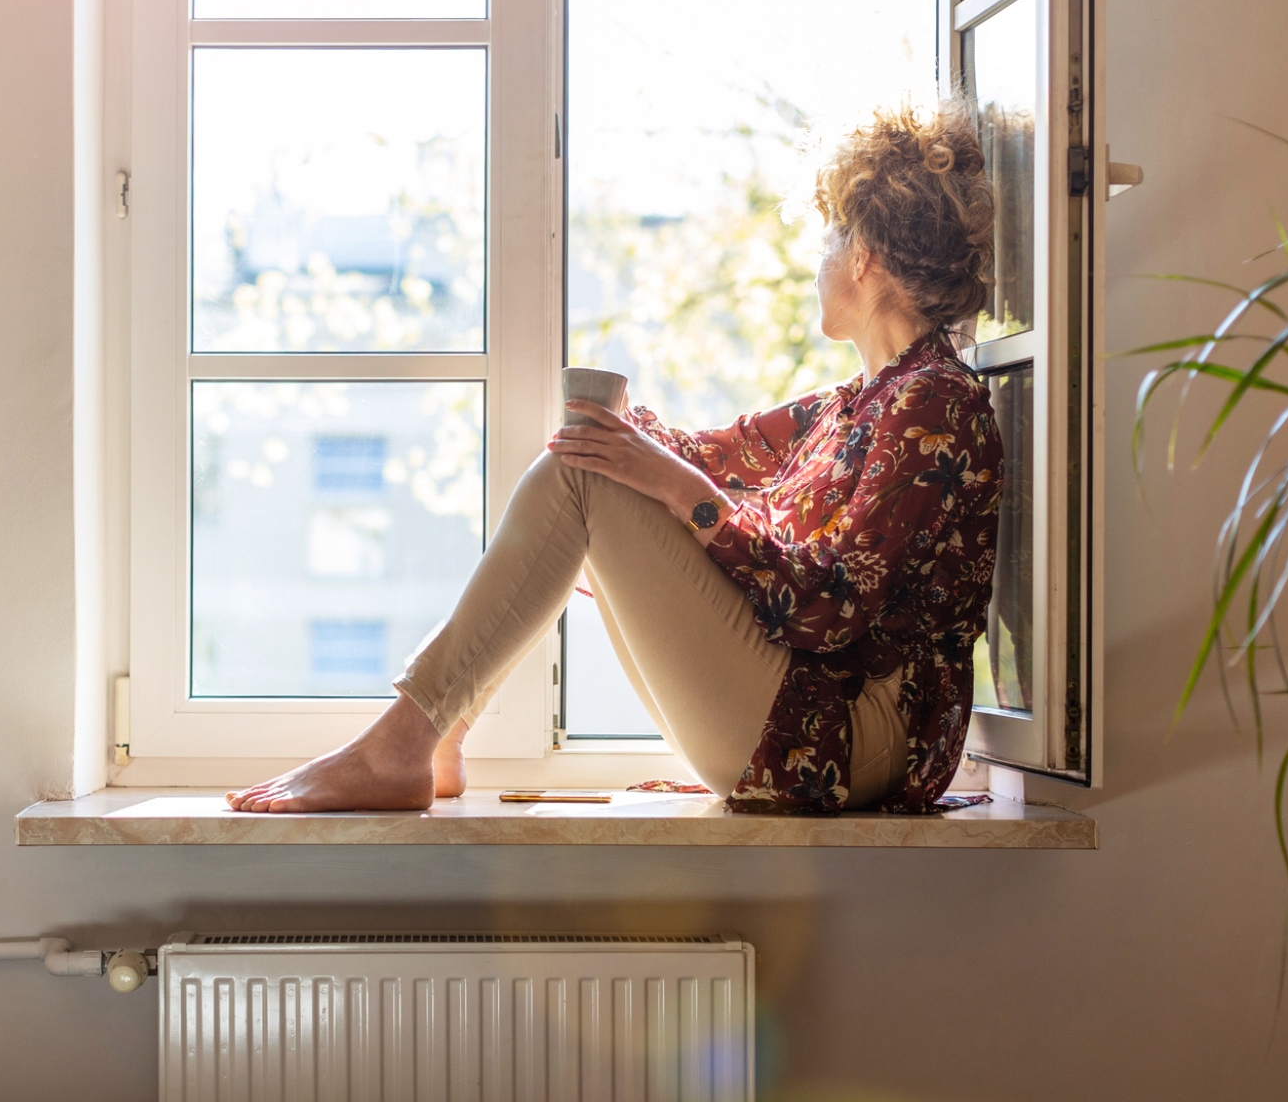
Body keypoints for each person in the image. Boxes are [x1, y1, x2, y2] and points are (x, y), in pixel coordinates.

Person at [228, 102, 1005, 815]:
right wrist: (614, 435)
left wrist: (664, 482)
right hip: (809, 722)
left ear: (864, 254)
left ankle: (407, 741)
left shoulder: (933, 404)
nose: (816, 262)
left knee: (584, 478)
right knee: (590, 471)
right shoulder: (856, 403)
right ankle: (436, 734)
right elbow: (702, 453)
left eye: (827, 238)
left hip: (851, 741)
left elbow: (828, 608)